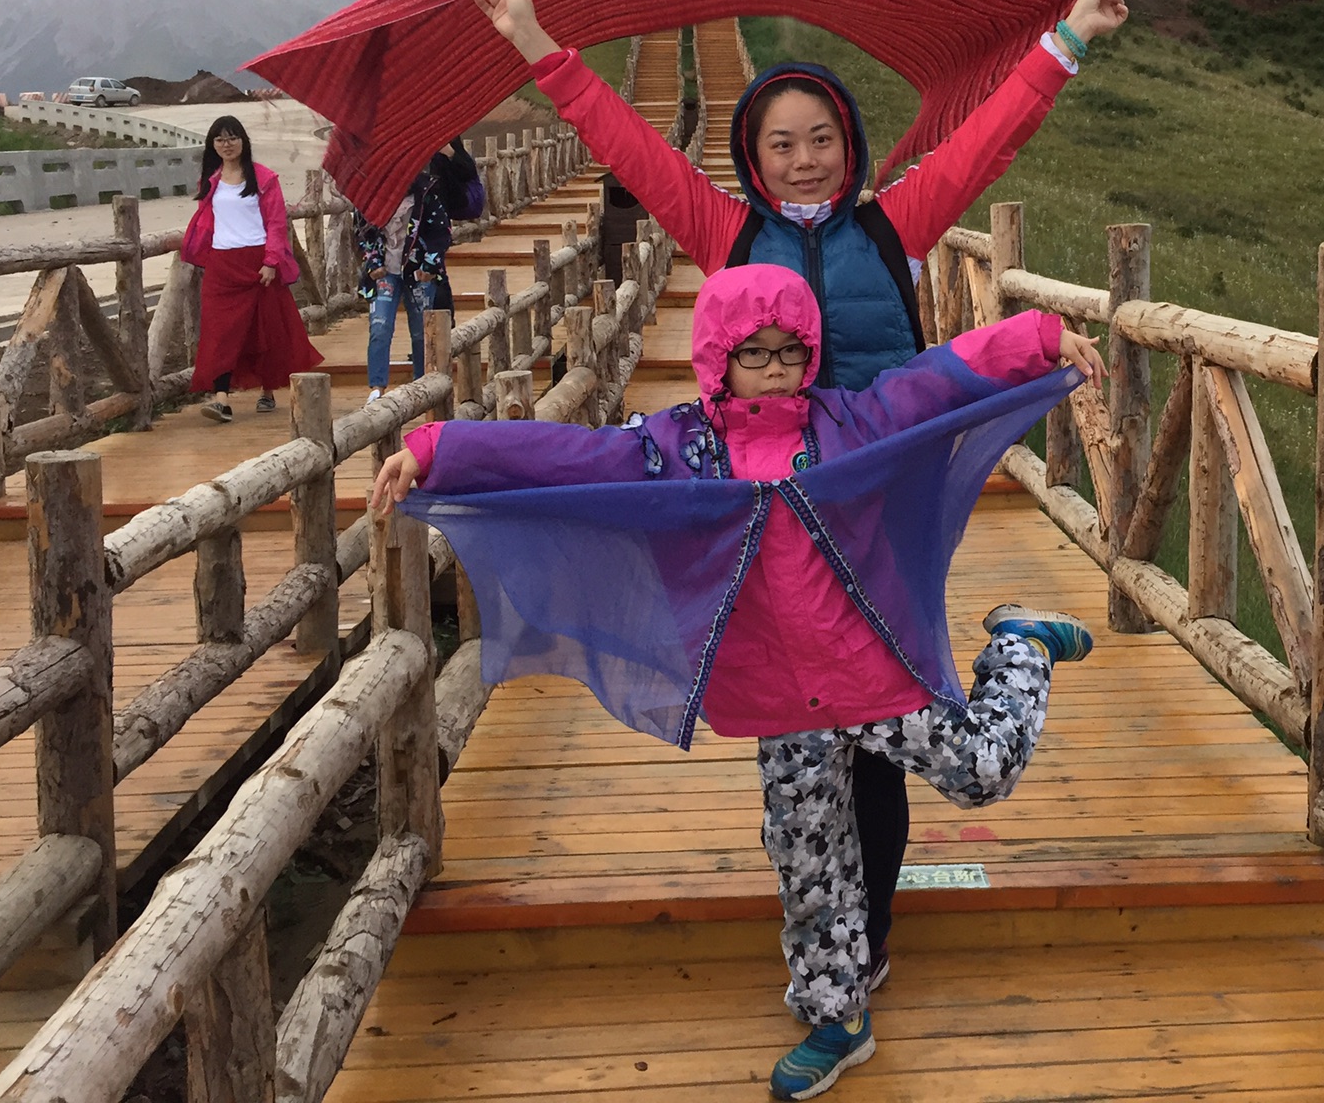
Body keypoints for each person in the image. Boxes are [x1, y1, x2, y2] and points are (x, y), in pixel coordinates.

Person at [468, 0, 1126, 1003]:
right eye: (782, 143)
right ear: (752, 155)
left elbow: (990, 139)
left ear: (849, 145)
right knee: (804, 724)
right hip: (769, 514)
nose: (806, 160)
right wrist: (537, 43)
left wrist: (1072, 37)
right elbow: (627, 144)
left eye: (822, 139)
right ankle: (836, 929)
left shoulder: (892, 225)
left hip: (884, 498)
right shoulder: (727, 232)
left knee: (884, 721)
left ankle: (873, 933)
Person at [371, 265, 1104, 1098]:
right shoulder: (676, 450)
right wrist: (439, 450)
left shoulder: (850, 420)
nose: (777, 369)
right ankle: (838, 1017)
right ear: (718, 357)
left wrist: (1038, 338)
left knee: (982, 771)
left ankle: (1019, 644)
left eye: (792, 351)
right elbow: (569, 456)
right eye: (755, 354)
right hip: (778, 697)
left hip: (870, 670)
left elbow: (936, 380)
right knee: (809, 860)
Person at [180, 116, 322, 423]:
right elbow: (206, 222)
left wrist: (271, 261)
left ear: (243, 141)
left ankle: (267, 391)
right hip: (222, 265)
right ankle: (221, 399)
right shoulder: (210, 181)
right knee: (218, 331)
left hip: (258, 264)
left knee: (264, 329)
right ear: (212, 145)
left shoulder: (264, 178)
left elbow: (276, 223)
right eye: (220, 139)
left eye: (232, 138)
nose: (227, 144)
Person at [354, 166, 451, 403]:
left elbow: (441, 233)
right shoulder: (369, 198)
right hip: (385, 272)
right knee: (379, 327)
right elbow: (362, 233)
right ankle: (377, 388)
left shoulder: (426, 195)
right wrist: (373, 262)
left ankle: (422, 383)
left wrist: (430, 265)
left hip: (417, 272)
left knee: (420, 331)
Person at [426, 137, 484, 313]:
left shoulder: (448, 141)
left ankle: (444, 317)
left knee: (436, 270)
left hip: (437, 217)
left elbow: (468, 171)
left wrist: (450, 153)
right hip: (416, 217)